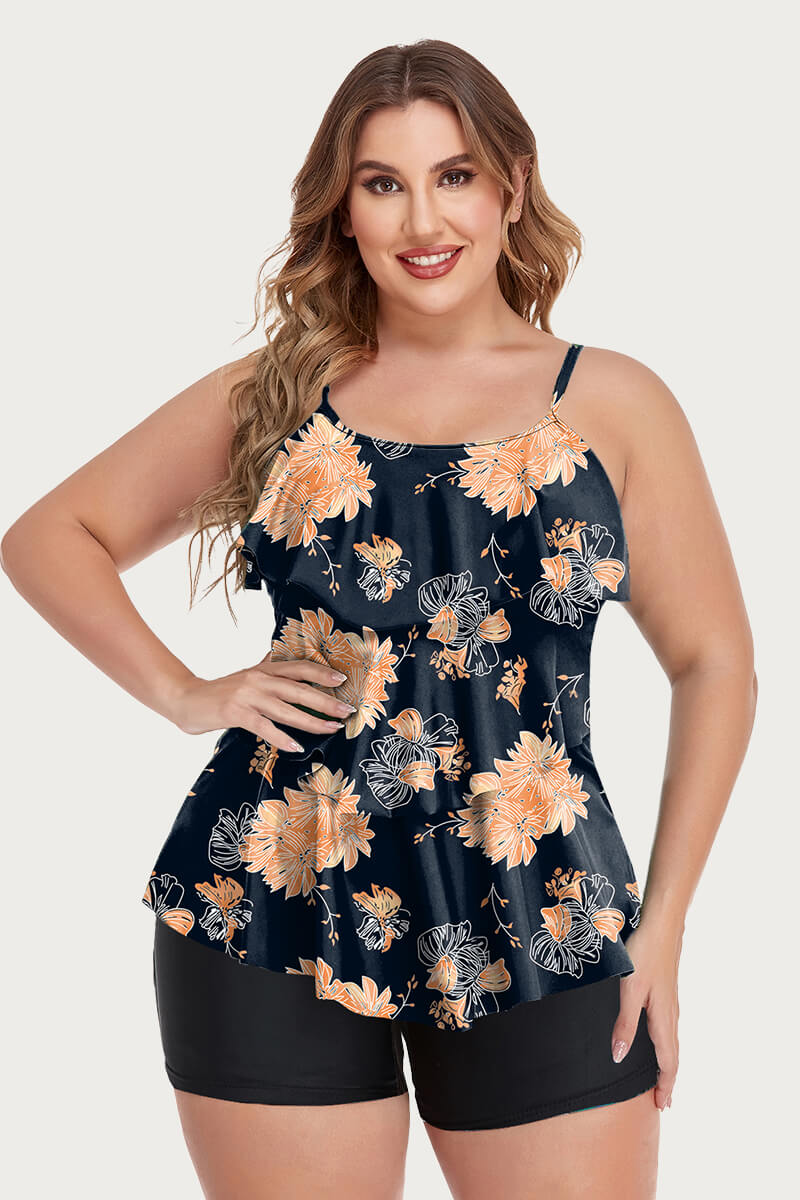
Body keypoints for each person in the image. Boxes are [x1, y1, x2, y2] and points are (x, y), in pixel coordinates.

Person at [1, 38, 757, 1200]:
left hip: (543, 909)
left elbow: (714, 665)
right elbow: (50, 536)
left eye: (453, 176)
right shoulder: (280, 393)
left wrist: (664, 926)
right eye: (382, 183)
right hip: (271, 898)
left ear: (510, 186)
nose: (422, 218)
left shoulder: (611, 402)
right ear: (342, 210)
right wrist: (186, 694)